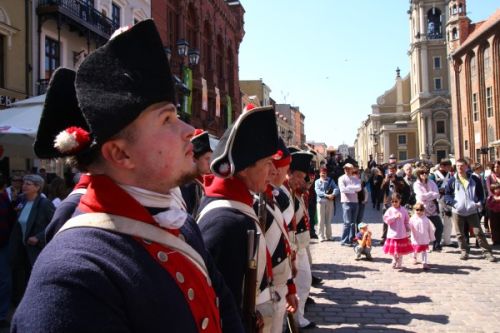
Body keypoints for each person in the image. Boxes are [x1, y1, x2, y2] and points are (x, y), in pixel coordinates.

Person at [12, 20, 243, 332]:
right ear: (120, 154)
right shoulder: (72, 274)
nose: (189, 131)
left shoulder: (182, 226)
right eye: (167, 119)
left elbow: (225, 313)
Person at [196, 104, 279, 330]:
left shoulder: (237, 209)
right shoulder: (226, 221)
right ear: (242, 169)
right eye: (266, 163)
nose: (273, 171)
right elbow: (223, 303)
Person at [262, 138, 298, 333]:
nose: (278, 172)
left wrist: (290, 285)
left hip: (280, 281)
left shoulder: (274, 196)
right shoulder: (262, 199)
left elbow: (284, 238)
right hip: (269, 288)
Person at [9, 174, 55, 305]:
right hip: (22, 248)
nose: (24, 186)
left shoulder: (44, 203)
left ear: (37, 187)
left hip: (36, 249)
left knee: (36, 277)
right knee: (22, 278)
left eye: (28, 184)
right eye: (24, 183)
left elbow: (56, 223)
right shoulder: (22, 201)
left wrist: (39, 237)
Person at [444, 158, 495, 262]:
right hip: (457, 211)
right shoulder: (452, 180)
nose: (460, 168)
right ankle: (464, 251)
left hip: (472, 210)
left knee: (478, 232)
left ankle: (487, 252)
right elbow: (447, 195)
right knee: (460, 234)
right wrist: (454, 203)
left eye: (462, 166)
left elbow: (481, 194)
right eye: (458, 166)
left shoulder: (474, 179)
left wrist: (479, 203)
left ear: (467, 166)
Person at [180, 129, 213, 215]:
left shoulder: (200, 183)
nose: (210, 163)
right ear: (194, 160)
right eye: (207, 159)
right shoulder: (188, 186)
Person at [380, 163, 411, 245]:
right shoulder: (386, 178)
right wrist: (386, 181)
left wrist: (394, 180)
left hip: (396, 203)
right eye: (391, 170)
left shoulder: (399, 178)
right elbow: (381, 189)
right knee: (386, 220)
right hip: (387, 202)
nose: (392, 172)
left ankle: (397, 236)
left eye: (393, 170)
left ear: (396, 170)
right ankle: (384, 237)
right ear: (388, 170)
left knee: (397, 221)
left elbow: (403, 187)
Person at [413, 167, 443, 251]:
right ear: (419, 174)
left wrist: (428, 195)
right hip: (422, 209)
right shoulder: (416, 184)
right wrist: (431, 194)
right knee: (423, 228)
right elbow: (421, 196)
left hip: (432, 208)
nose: (424, 175)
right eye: (422, 173)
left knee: (439, 226)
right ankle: (423, 246)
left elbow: (437, 194)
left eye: (426, 173)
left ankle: (437, 245)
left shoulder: (431, 182)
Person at [0, 174, 16, 328]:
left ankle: (2, 314)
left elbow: (11, 219)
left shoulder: (4, 198)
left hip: (3, 245)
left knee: (4, 281)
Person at [382, 193, 413, 269]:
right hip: (393, 234)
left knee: (400, 250)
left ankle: (399, 262)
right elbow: (386, 220)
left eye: (396, 201)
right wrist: (394, 217)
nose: (394, 203)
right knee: (393, 250)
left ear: (400, 201)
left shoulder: (403, 210)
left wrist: (408, 229)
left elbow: (406, 221)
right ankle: (394, 260)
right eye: (392, 201)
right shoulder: (390, 210)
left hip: (401, 234)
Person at [429, 159, 455, 247]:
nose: (449, 168)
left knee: (448, 220)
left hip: (447, 200)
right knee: (439, 222)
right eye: (448, 166)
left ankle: (447, 240)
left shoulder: (450, 175)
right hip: (437, 200)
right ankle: (438, 241)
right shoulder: (433, 175)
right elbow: (430, 187)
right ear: (442, 166)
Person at [338, 163, 362, 246]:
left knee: (353, 222)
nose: (347, 170)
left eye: (348, 168)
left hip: (355, 201)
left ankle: (351, 239)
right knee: (347, 222)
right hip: (346, 202)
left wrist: (349, 188)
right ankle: (344, 240)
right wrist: (353, 189)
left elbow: (359, 188)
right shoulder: (341, 178)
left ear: (352, 169)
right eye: (345, 169)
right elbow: (342, 189)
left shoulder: (356, 178)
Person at [314, 167, 339, 242]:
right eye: (322, 173)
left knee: (328, 219)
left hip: (329, 201)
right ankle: (321, 236)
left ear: (326, 173)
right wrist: (326, 195)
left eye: (324, 173)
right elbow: (317, 191)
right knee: (321, 219)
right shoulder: (317, 181)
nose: (323, 174)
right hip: (321, 201)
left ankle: (329, 236)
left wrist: (333, 194)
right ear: (319, 173)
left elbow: (336, 188)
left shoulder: (330, 180)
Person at [409, 202, 436, 270]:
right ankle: (414, 258)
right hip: (416, 238)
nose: (419, 211)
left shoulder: (426, 219)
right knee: (415, 250)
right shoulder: (412, 219)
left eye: (421, 210)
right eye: (417, 210)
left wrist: (431, 236)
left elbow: (431, 228)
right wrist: (407, 234)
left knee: (424, 251)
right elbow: (408, 227)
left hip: (424, 238)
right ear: (414, 210)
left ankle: (424, 262)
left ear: (423, 210)